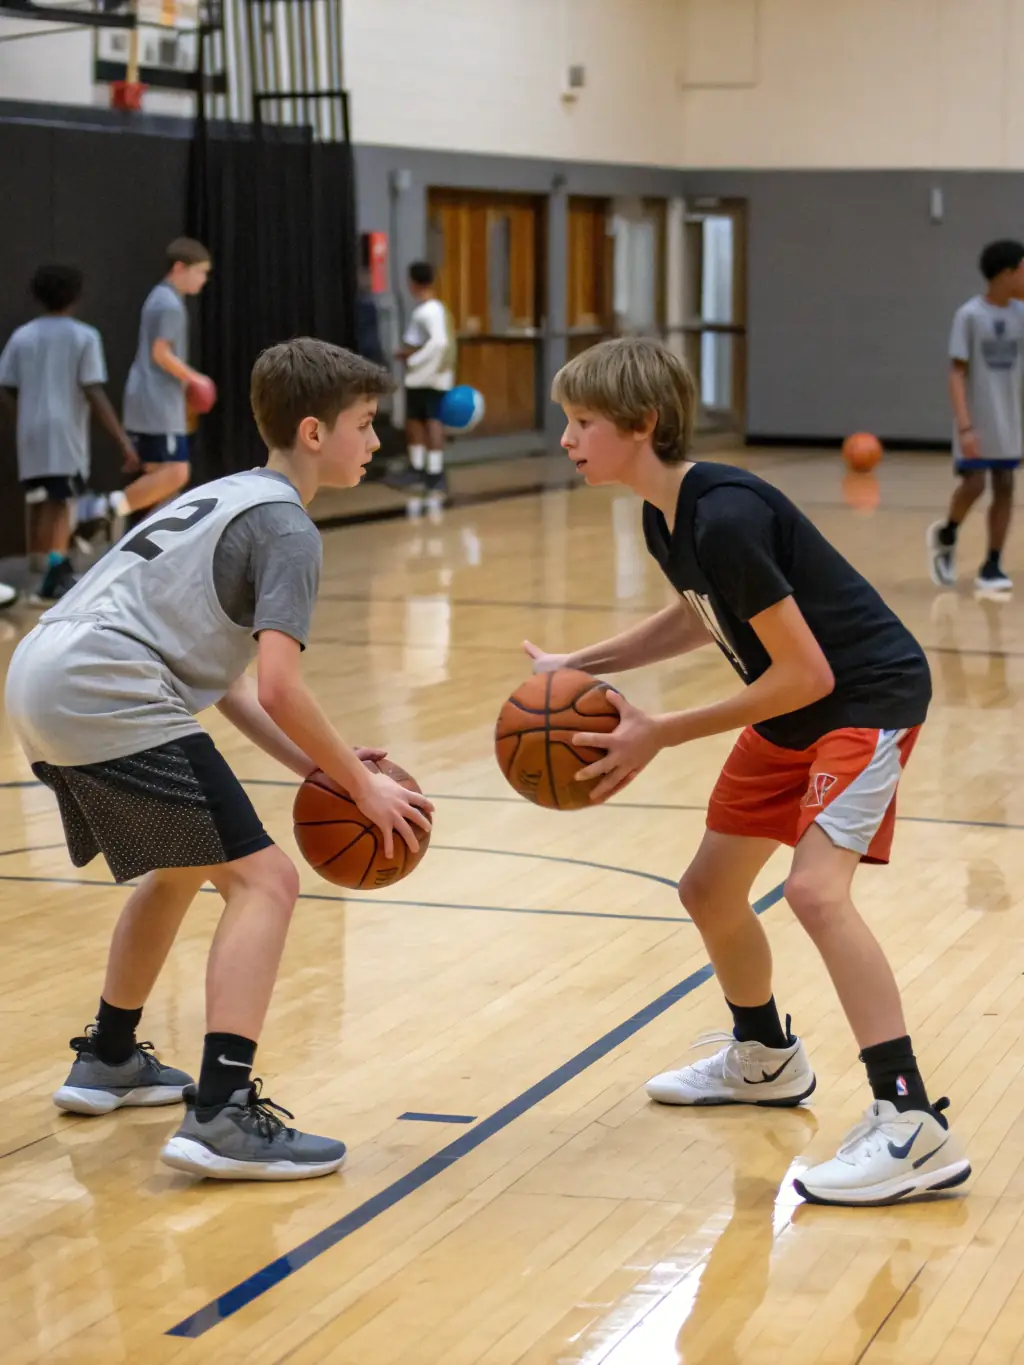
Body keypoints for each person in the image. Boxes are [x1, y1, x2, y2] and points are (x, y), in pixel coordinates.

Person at [524, 337, 970, 1207]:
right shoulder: (667, 513)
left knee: (815, 893)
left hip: (862, 699)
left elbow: (809, 673)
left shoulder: (723, 512)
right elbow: (700, 616)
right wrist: (580, 660)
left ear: (641, 423)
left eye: (582, 423)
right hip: (795, 707)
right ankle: (765, 1057)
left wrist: (662, 730)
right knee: (708, 889)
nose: (569, 439)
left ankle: (913, 1122)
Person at [5, 338, 433, 1181]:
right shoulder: (287, 527)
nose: (376, 441)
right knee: (265, 880)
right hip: (106, 684)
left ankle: (113, 1056)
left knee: (176, 867)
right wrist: (361, 786)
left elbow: (229, 682)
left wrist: (329, 765)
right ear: (315, 432)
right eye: (365, 424)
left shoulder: (229, 496)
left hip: (42, 673)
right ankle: (223, 1114)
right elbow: (279, 686)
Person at [0, 264, 138, 603]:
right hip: (64, 432)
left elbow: (5, 384)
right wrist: (123, 442)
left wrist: (20, 417)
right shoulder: (84, 336)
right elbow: (93, 390)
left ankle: (39, 565)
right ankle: (55, 573)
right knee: (62, 502)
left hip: (31, 431)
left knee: (41, 498)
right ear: (76, 295)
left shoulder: (22, 336)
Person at [84, 237, 214, 542]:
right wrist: (196, 379)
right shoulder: (169, 303)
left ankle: (145, 543)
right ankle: (102, 507)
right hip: (157, 400)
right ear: (180, 267)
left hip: (148, 397)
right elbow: (161, 353)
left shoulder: (159, 297)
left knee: (160, 478)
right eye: (201, 272)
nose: (204, 279)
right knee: (176, 473)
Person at [928, 239, 1024, 594]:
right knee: (975, 484)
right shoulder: (969, 315)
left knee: (1005, 485)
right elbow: (956, 373)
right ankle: (947, 533)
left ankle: (992, 563)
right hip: (977, 420)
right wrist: (965, 426)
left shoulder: (1020, 314)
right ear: (1008, 273)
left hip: (1010, 419)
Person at [388, 260, 455, 495]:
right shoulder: (436, 309)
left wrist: (414, 360)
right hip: (437, 376)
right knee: (426, 419)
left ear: (412, 283)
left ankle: (428, 472)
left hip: (426, 377)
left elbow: (438, 343)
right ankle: (427, 471)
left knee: (422, 421)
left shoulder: (427, 312)